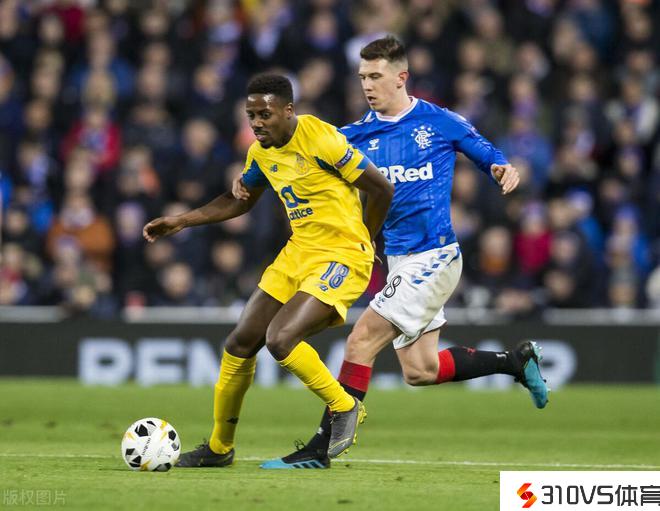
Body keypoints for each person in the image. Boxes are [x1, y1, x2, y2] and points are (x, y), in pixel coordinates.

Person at [233, 36, 548, 470]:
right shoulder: (354, 135)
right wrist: (249, 178)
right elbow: (299, 154)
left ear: (401, 77)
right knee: (420, 370)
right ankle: (516, 361)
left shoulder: (438, 121)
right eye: (363, 76)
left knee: (361, 339)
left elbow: (483, 150)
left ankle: (322, 447)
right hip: (400, 259)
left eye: (376, 76)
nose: (367, 84)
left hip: (435, 255)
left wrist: (500, 166)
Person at [142, 74, 394, 466]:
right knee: (240, 342)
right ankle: (219, 448)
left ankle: (345, 406)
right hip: (298, 253)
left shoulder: (321, 139)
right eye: (251, 115)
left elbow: (381, 188)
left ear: (288, 110)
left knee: (280, 339)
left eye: (265, 114)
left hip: (342, 255)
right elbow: (240, 200)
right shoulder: (260, 153)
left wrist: (367, 239)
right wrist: (181, 221)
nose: (257, 123)